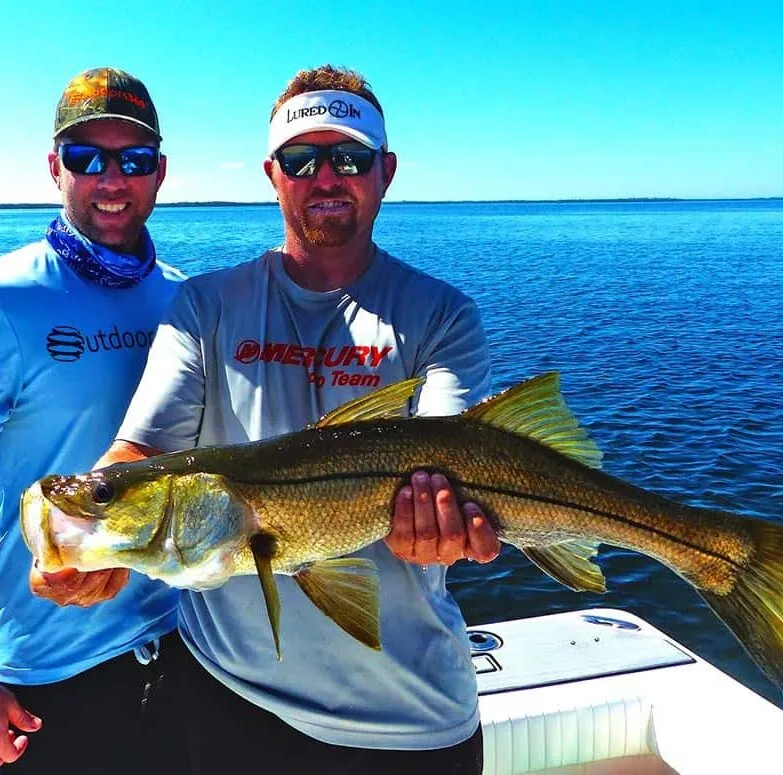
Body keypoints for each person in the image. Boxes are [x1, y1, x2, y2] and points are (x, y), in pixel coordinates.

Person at [65, 64, 501, 774]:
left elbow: (456, 468)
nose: (325, 176)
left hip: (411, 722)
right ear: (273, 173)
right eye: (301, 160)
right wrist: (87, 530)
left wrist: (453, 529)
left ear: (385, 171)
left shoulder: (442, 318)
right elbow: (138, 452)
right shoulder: (204, 307)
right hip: (223, 702)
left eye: (350, 156)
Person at [0, 67, 186, 773]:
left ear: (159, 172)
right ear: (54, 167)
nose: (112, 178)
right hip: (44, 675)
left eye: (133, 160)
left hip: (181, 651)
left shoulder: (188, 301)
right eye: (87, 158)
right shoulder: (9, 297)